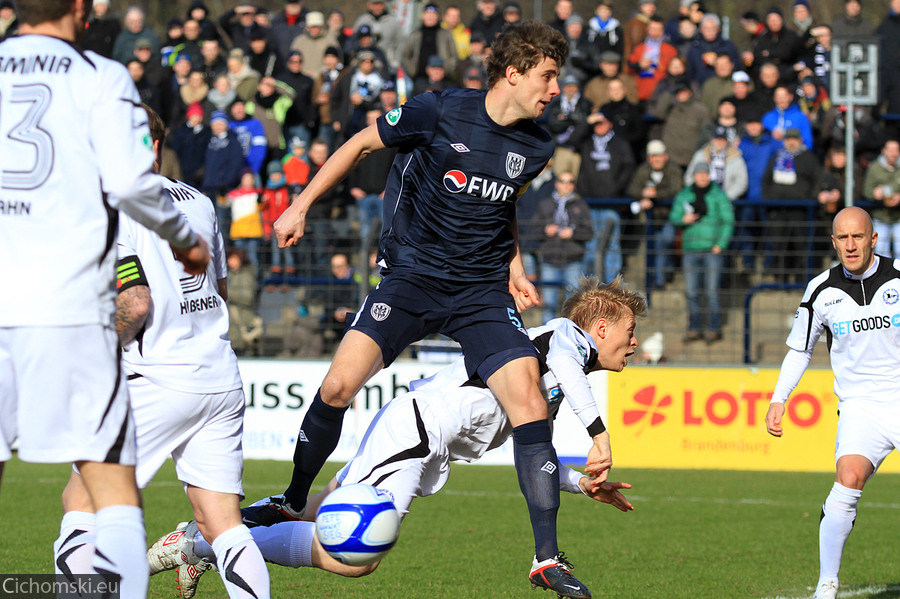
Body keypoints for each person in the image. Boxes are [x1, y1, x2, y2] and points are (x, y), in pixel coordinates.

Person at [251, 22, 609, 599]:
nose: (554, 89)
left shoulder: (538, 145)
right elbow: (360, 144)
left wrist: (513, 267)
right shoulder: (438, 111)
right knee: (340, 384)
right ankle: (293, 500)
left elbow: (502, 206)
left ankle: (547, 559)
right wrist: (300, 206)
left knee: (528, 399)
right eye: (547, 76)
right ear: (513, 74)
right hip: (412, 278)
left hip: (479, 291)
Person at [149, 276, 645, 596]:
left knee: (311, 510)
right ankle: (204, 545)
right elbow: (563, 364)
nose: (635, 343)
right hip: (419, 430)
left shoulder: (553, 375)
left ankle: (201, 536)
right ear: (599, 328)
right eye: (629, 330)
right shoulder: (564, 339)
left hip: (425, 436)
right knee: (355, 557)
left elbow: (531, 450)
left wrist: (579, 482)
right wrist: (600, 435)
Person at [0, 3, 208, 597]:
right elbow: (129, 182)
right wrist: (186, 241)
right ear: (79, 9)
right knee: (111, 486)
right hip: (69, 306)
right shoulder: (101, 75)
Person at [52, 104, 268, 599]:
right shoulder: (198, 200)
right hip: (217, 376)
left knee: (81, 502)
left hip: (154, 378)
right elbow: (221, 286)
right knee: (222, 524)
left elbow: (135, 304)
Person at [764, 206, 900, 599]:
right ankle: (827, 583)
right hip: (860, 406)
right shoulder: (820, 289)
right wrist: (779, 398)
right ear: (834, 241)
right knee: (848, 480)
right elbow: (800, 350)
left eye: (858, 236)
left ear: (873, 239)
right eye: (842, 237)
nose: (850, 245)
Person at [669, 162, 734, 344]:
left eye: (705, 174)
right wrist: (683, 219)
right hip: (690, 248)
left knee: (712, 291)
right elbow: (674, 217)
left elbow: (728, 220)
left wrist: (720, 244)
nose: (702, 177)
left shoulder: (718, 195)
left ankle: (714, 328)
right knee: (691, 292)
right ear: (694, 176)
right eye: (699, 174)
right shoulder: (685, 194)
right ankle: (694, 328)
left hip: (711, 249)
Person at [534, 172, 593, 323]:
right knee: (548, 306)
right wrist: (545, 230)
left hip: (573, 260)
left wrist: (573, 233)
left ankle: (570, 341)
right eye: (563, 181)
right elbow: (533, 229)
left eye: (570, 182)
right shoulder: (544, 204)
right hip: (549, 259)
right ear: (557, 183)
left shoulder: (581, 205)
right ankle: (546, 342)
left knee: (573, 307)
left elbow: (589, 232)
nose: (566, 185)